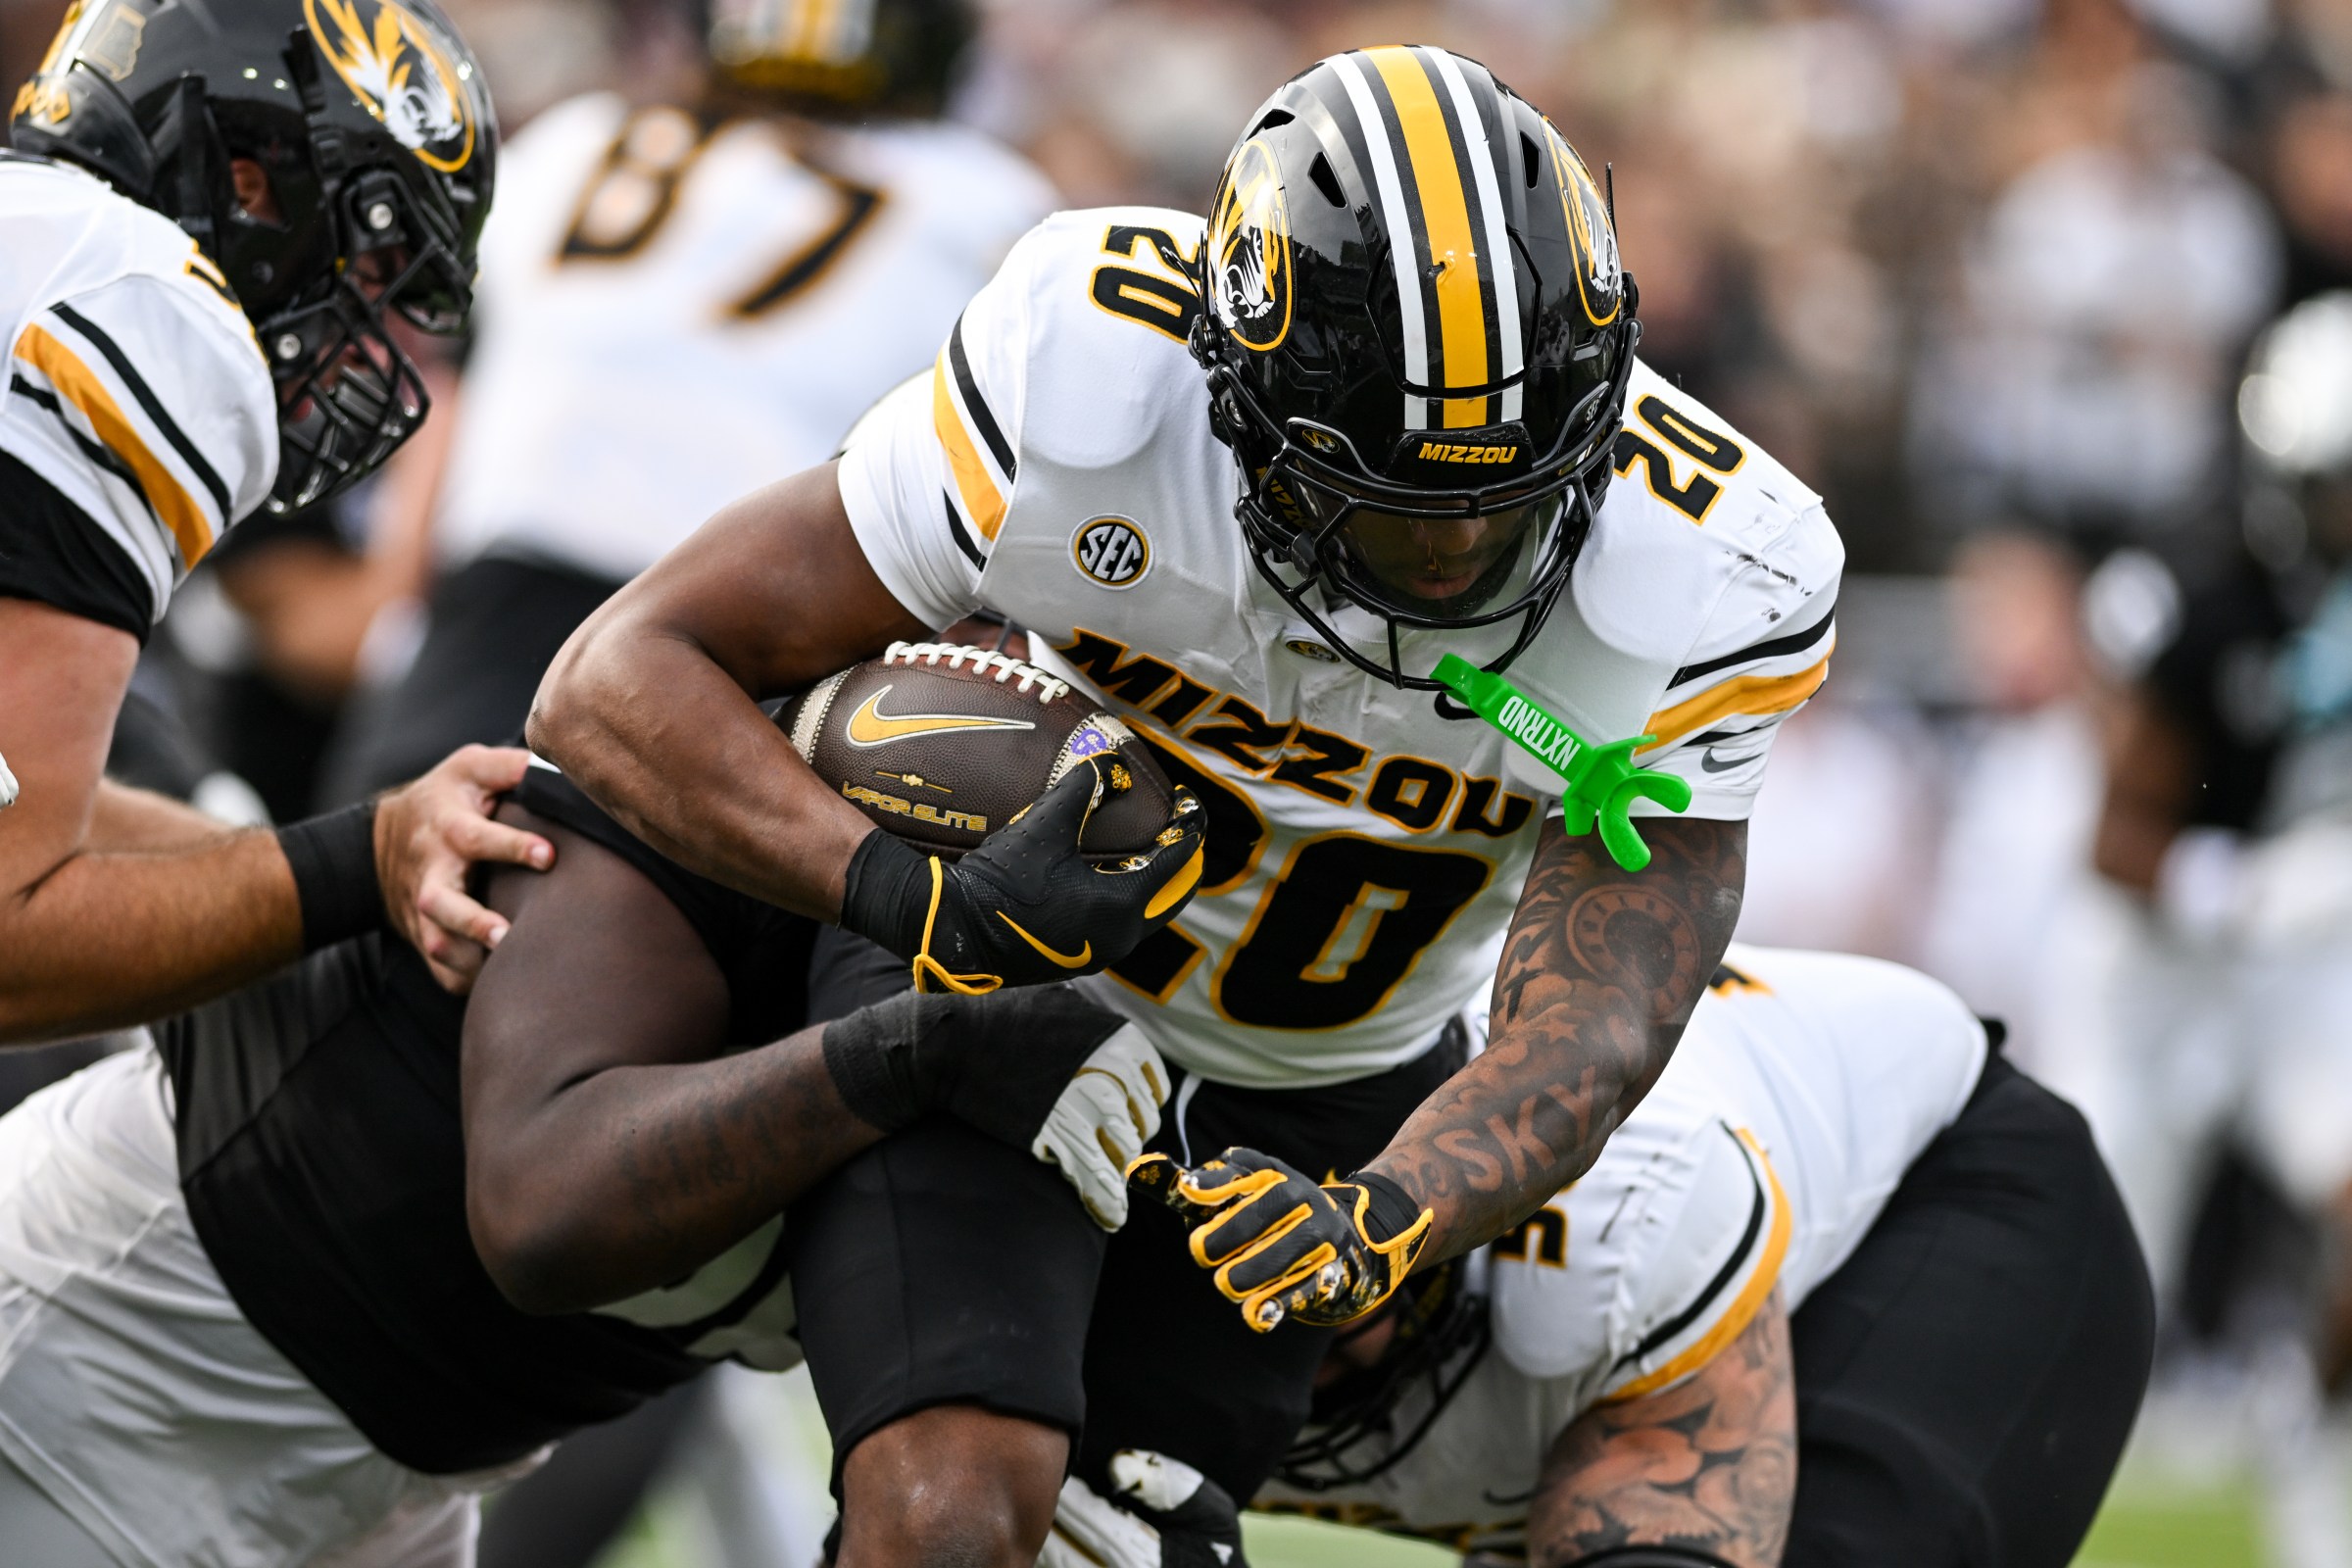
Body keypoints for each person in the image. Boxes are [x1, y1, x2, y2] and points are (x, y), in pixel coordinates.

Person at [529, 44, 1842, 1556]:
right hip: (1011, 991)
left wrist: (1385, 1212)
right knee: (951, 1507)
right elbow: (617, 674)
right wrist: (904, 894)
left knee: (1115, 1541)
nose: (1457, 554)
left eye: (1511, 492)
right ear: (1239, 395)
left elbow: (1593, 1028)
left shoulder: (1715, 567)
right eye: (1394, 503)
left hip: (1324, 1095)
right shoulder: (1092, 374)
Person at [0, 669, 1168, 1566]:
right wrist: (915, 1053)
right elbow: (543, 1211)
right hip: (121, 1338)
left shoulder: (1131, 1065)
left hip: (402, 1489)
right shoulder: (703, 815)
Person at [1051, 949, 2154, 1568]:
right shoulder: (1063, 1297)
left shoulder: (1623, 1225)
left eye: (1314, 1260)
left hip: (1925, 1203)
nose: (1283, 1298)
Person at [322, 0, 1056, 802]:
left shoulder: (578, 139)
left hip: (504, 593)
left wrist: (393, 594)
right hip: (747, 617)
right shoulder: (987, 201)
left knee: (392, 846)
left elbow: (455, 380)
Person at [1, 0, 548, 1034]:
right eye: (371, 268)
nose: (367, 340)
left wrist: (336, 863)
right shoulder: (151, 307)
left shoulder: (43, 239)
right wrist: (369, 861)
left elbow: (27, 804)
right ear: (251, 185)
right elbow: (7, 939)